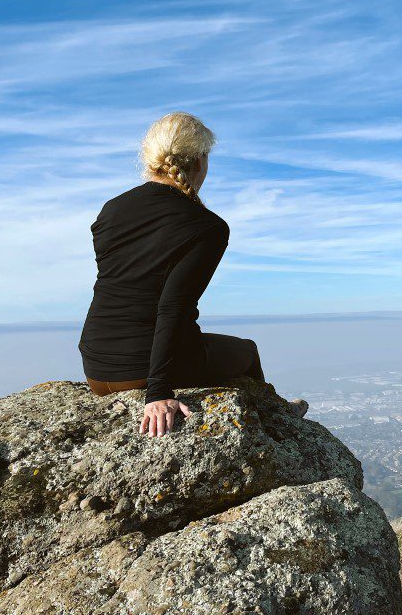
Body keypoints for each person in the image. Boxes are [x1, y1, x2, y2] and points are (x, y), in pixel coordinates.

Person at [79, 111, 308, 438]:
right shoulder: (206, 226)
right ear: (199, 161)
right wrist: (158, 392)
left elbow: (118, 288)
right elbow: (173, 307)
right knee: (247, 350)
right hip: (142, 370)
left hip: (96, 365)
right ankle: (280, 418)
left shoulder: (111, 209)